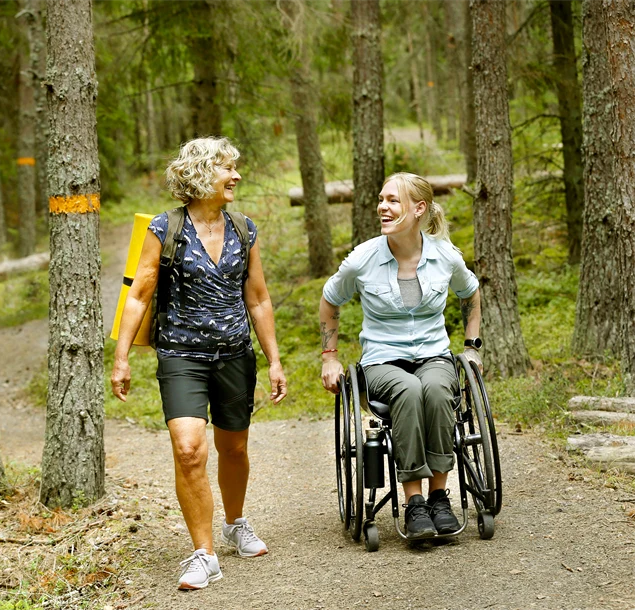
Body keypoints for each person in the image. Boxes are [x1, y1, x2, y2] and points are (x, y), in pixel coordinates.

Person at [111, 137, 287, 589]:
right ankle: (203, 553)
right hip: (181, 356)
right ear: (202, 173)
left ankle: (235, 522)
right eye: (228, 168)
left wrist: (274, 360)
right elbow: (139, 295)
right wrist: (121, 358)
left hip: (235, 355)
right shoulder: (164, 228)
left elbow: (259, 298)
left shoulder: (244, 229)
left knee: (234, 448)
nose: (236, 176)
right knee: (189, 450)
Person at [318, 172, 482, 540]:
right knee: (408, 390)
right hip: (382, 361)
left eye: (393, 200)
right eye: (382, 199)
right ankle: (414, 502)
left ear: (419, 208)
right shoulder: (363, 258)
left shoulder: (444, 256)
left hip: (433, 355)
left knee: (437, 390)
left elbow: (470, 294)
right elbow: (330, 301)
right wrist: (329, 356)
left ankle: (439, 497)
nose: (383, 207)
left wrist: (472, 348)